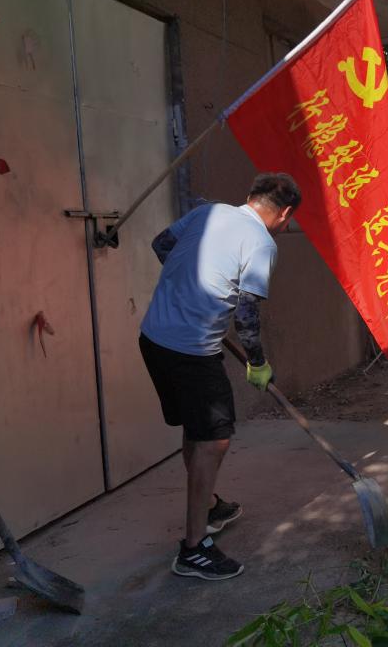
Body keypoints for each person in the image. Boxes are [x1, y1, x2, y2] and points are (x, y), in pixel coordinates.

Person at [138, 173, 300, 581]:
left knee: (197, 431)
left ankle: (209, 507)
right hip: (190, 351)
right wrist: (257, 362)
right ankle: (194, 549)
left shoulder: (207, 213)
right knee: (214, 440)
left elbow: (161, 245)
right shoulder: (261, 242)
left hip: (154, 339)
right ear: (285, 214)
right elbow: (245, 313)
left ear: (249, 197)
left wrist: (189, 288)